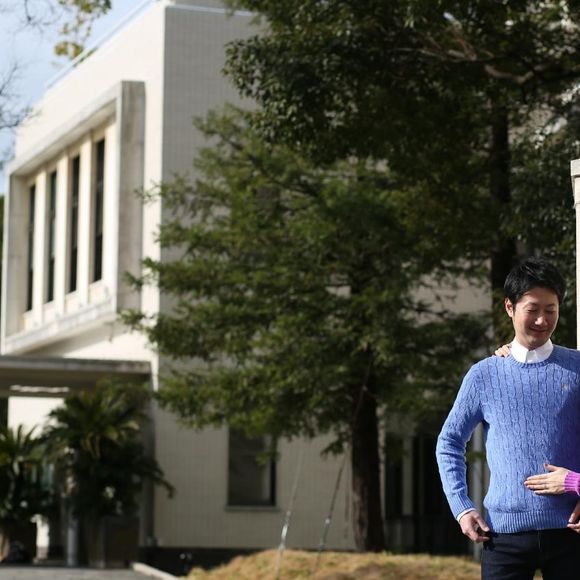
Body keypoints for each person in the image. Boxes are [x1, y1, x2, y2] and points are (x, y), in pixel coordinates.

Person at [436, 258, 580, 579]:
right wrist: (462, 507)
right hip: (503, 537)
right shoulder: (484, 375)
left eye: (551, 309)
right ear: (509, 307)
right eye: (532, 309)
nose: (542, 320)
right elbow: (449, 442)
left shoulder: (577, 368)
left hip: (572, 532)